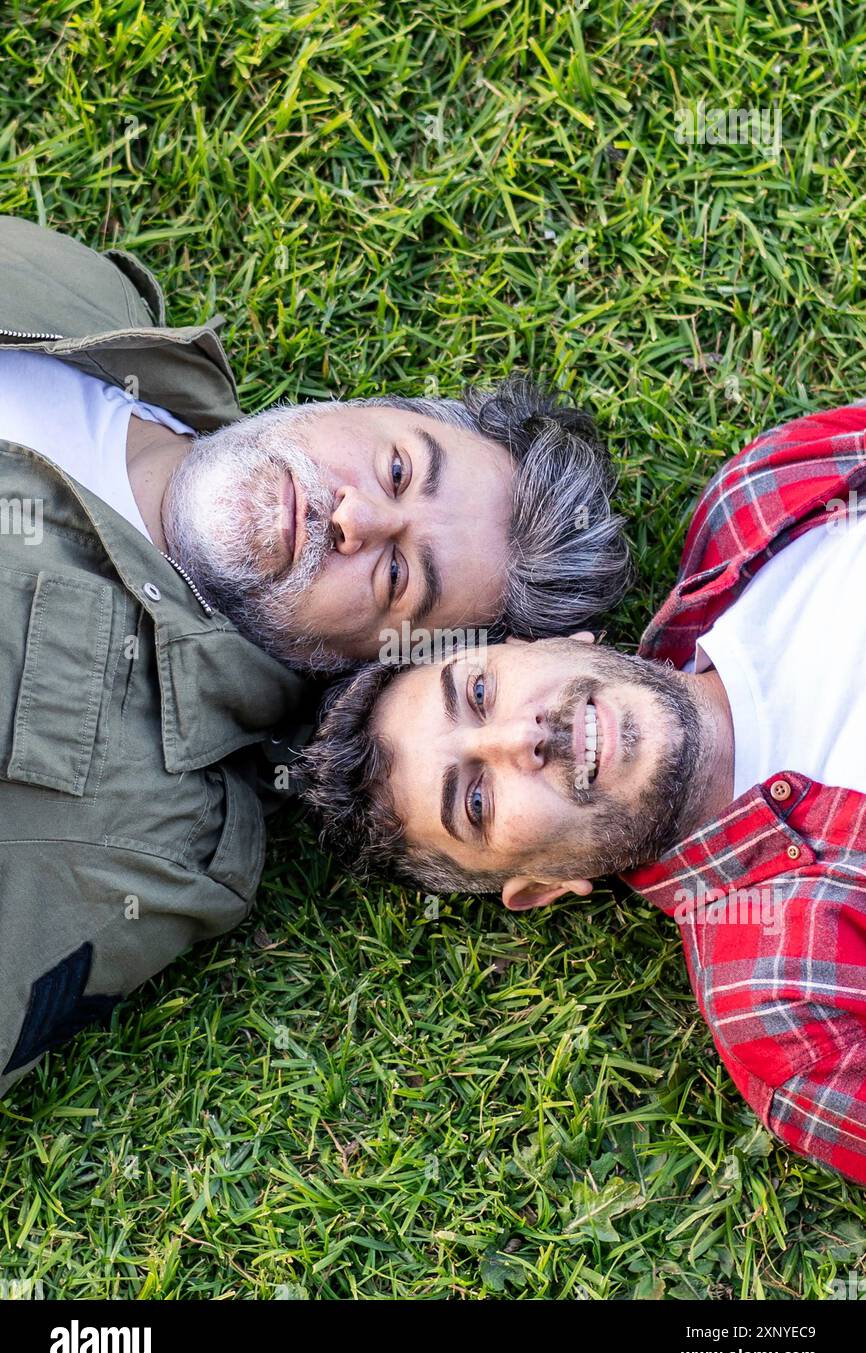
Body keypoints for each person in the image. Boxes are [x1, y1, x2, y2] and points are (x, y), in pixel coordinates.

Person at [0, 214, 628, 1096]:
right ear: (373, 409)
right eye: (401, 470)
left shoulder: (152, 835)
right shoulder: (85, 295)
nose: (355, 518)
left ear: (371, 667)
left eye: (400, 575)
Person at [305, 401, 866, 1185]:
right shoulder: (792, 1014)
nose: (518, 740)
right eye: (475, 801)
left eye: (479, 693)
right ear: (539, 889)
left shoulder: (765, 499)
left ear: (552, 642)